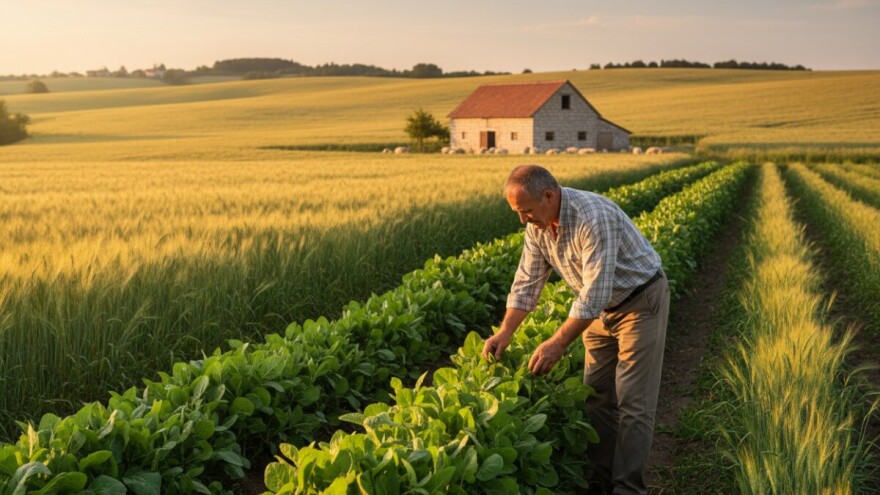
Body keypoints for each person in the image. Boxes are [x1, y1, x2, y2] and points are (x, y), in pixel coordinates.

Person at [481, 165, 670, 495]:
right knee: (595, 397)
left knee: (633, 405)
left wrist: (557, 343)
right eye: (517, 212)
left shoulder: (592, 216)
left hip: (639, 303)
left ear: (549, 196)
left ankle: (627, 489)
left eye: (525, 211)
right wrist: (505, 332)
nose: (522, 220)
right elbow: (526, 283)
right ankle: (601, 481)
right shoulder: (538, 226)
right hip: (597, 311)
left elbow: (595, 291)